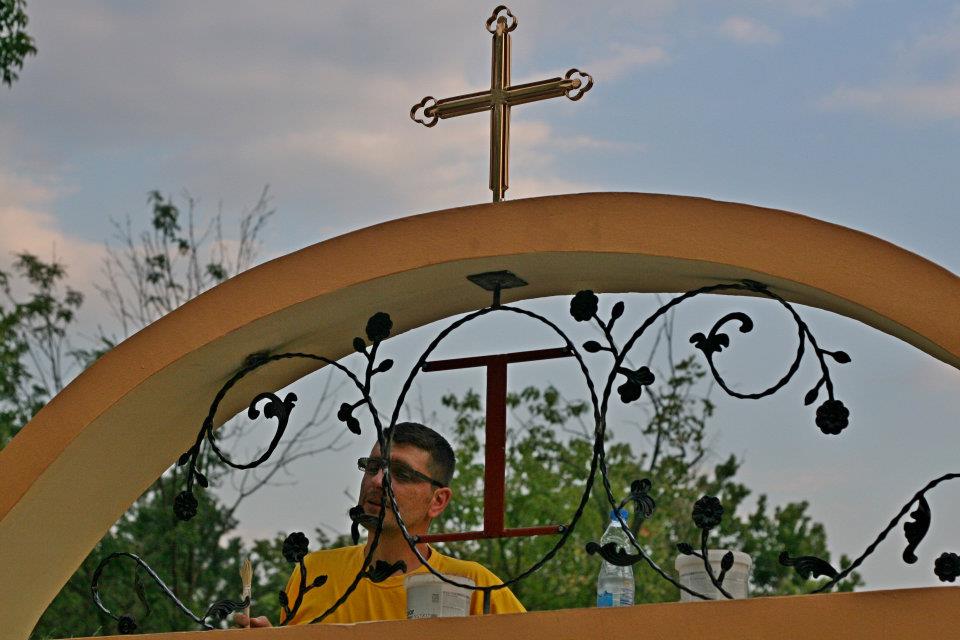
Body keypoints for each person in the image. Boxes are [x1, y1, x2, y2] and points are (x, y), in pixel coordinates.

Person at [235, 421, 525, 627]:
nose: (377, 481)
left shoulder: (472, 585)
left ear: (438, 501)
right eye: (373, 467)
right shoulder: (314, 572)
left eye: (402, 474)